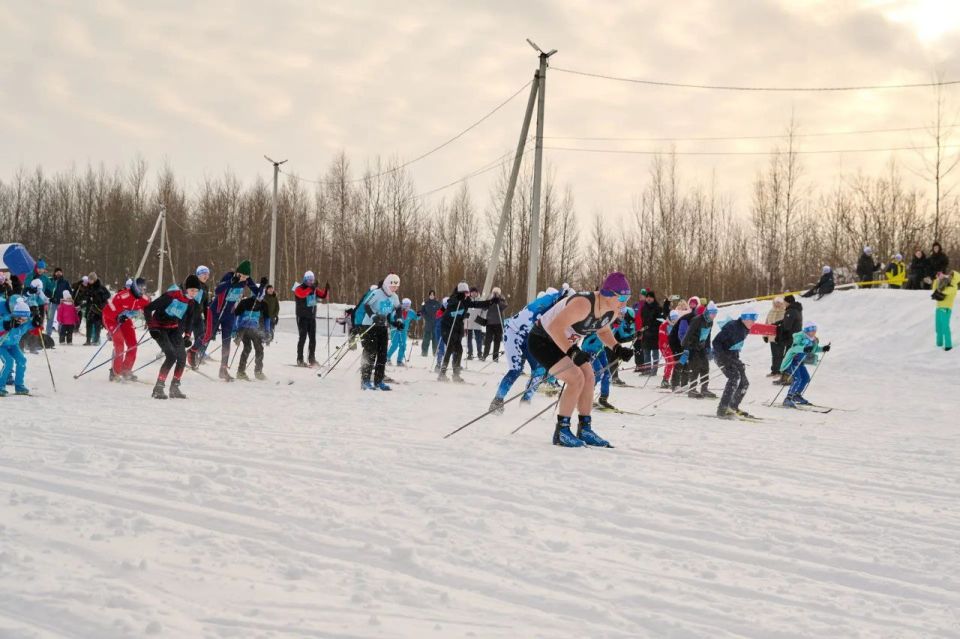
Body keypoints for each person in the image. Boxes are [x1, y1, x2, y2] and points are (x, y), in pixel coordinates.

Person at [526, 271, 633, 448]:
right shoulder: (583, 304)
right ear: (608, 294)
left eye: (627, 297)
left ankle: (585, 428)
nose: (624, 303)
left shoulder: (612, 310)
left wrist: (617, 348)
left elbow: (603, 331)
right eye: (621, 298)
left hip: (563, 343)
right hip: (543, 340)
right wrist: (573, 351)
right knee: (575, 378)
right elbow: (555, 327)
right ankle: (562, 430)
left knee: (589, 376)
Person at [489, 287, 564, 414]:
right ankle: (497, 400)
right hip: (514, 335)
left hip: (530, 339)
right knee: (516, 370)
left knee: (539, 370)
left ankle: (526, 401)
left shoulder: (553, 311)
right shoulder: (540, 306)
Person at [207, 260, 265, 380]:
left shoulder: (247, 280)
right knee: (208, 335)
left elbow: (258, 296)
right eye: (242, 276)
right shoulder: (229, 276)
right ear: (237, 273)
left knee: (226, 342)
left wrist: (263, 286)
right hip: (217, 311)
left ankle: (223, 369)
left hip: (229, 313)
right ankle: (195, 353)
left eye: (246, 276)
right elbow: (218, 291)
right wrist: (230, 282)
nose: (244, 278)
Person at [144, 277, 200, 399]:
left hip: (173, 328)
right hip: (159, 328)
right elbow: (148, 308)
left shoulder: (190, 302)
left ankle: (174, 387)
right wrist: (152, 327)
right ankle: (158, 388)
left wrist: (187, 335)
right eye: (192, 290)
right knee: (171, 356)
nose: (194, 294)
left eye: (196, 291)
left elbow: (190, 318)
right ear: (185, 289)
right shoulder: (171, 296)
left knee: (182, 357)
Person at [438, 282, 495, 382]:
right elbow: (448, 314)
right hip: (447, 328)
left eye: (468, 293)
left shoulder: (465, 301)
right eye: (466, 293)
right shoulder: (453, 300)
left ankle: (456, 374)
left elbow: (476, 304)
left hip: (456, 328)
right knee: (450, 348)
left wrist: (489, 302)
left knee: (459, 350)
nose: (468, 295)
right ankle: (442, 373)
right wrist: (459, 312)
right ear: (460, 292)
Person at [584, 305, 636, 411]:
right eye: (620, 313)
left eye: (623, 314)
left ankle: (603, 399)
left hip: (601, 349)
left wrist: (634, 335)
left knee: (607, 373)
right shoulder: (606, 320)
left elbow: (621, 337)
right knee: (598, 373)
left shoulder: (618, 324)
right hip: (590, 348)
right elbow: (593, 332)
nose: (622, 316)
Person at [713, 310, 760, 418]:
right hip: (721, 356)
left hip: (733, 357)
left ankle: (732, 407)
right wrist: (724, 357)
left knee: (744, 383)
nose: (753, 322)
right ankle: (723, 408)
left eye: (754, 320)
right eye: (751, 320)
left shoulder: (745, 328)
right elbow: (716, 342)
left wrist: (736, 360)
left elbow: (735, 345)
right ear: (744, 319)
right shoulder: (732, 326)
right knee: (734, 378)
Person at [102, 277, 150, 381]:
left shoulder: (144, 299)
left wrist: (152, 321)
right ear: (135, 287)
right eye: (140, 288)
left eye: (144, 289)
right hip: (111, 319)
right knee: (119, 343)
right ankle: (115, 372)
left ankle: (126, 370)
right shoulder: (122, 296)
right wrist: (117, 317)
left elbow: (149, 311)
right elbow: (107, 310)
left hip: (125, 320)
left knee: (133, 344)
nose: (142, 291)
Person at [359, 273, 402, 390]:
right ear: (387, 285)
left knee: (382, 355)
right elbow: (366, 304)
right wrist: (373, 316)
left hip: (382, 326)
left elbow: (398, 308)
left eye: (396, 287)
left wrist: (398, 320)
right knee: (370, 353)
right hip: (369, 325)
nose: (394, 289)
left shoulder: (394, 297)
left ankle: (378, 381)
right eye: (392, 287)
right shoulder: (377, 293)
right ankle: (365, 380)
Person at [781, 322, 830, 407]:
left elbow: (813, 350)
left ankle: (796, 395)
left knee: (806, 378)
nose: (814, 332)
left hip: (800, 362)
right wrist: (804, 348)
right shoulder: (799, 337)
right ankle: (788, 399)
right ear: (806, 330)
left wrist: (823, 348)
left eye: (815, 329)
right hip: (792, 361)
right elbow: (794, 348)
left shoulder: (813, 340)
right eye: (811, 330)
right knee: (797, 379)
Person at [0, 299, 41, 396]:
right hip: (1, 345)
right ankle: (1, 386)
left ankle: (19, 386)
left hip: (13, 345)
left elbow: (33, 326)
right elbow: (2, 325)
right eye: (19, 318)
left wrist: (37, 322)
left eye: (24, 318)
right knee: (9, 362)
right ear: (14, 315)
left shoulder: (26, 323)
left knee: (22, 360)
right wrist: (7, 325)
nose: (22, 321)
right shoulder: (7, 319)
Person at [680, 301, 719, 398]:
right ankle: (692, 389)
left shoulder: (710, 321)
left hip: (701, 347)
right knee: (696, 367)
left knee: (705, 367)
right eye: (712, 313)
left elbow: (708, 335)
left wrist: (708, 348)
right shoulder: (697, 320)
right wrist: (685, 348)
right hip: (692, 346)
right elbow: (688, 334)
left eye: (715, 313)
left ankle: (704, 389)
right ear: (707, 312)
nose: (714, 315)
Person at [292, 271, 329, 367]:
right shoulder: (299, 288)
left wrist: (326, 290)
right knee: (302, 337)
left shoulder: (313, 288)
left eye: (312, 280)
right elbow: (302, 295)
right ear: (305, 279)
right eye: (309, 280)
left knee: (313, 339)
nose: (310, 282)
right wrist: (310, 288)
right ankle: (300, 359)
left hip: (312, 317)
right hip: (302, 316)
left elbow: (323, 295)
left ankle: (311, 358)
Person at [233, 287, 267, 380]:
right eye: (260, 294)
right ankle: (241, 372)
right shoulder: (245, 302)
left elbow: (264, 319)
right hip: (243, 329)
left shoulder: (263, 304)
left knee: (258, 348)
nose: (262, 296)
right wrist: (235, 329)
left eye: (263, 295)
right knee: (248, 348)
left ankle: (258, 371)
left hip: (255, 329)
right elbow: (236, 315)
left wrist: (265, 332)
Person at [774, 295, 803, 386]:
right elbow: (787, 321)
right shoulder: (797, 310)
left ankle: (787, 379)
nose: (783, 303)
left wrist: (778, 329)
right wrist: (778, 323)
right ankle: (787, 378)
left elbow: (787, 326)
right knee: (790, 357)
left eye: (784, 302)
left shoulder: (790, 311)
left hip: (791, 338)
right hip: (796, 338)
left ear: (787, 302)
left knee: (788, 358)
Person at [186, 265, 212, 368]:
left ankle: (193, 353)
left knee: (204, 336)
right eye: (203, 274)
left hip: (198, 316)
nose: (205, 276)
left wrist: (206, 318)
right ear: (198, 275)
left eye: (207, 274)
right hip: (189, 315)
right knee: (183, 335)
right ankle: (168, 351)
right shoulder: (193, 283)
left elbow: (205, 304)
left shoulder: (206, 287)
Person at [931, 269, 960, 351]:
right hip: (939, 308)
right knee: (938, 328)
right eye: (949, 274)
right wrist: (937, 280)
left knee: (945, 327)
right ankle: (939, 344)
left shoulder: (953, 287)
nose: (949, 276)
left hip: (946, 309)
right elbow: (934, 290)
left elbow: (942, 291)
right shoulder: (945, 283)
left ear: (955, 278)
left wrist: (942, 280)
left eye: (951, 275)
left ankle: (948, 345)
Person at [387, 298, 419, 366]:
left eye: (409, 305)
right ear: (402, 305)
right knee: (395, 345)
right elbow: (392, 319)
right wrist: (396, 324)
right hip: (395, 330)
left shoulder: (411, 312)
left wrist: (419, 315)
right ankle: (387, 358)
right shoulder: (398, 311)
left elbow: (416, 317)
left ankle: (399, 361)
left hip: (404, 331)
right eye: (405, 305)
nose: (407, 307)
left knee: (403, 345)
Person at [638, 289, 662, 375]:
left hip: (655, 333)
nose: (648, 299)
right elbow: (642, 320)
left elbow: (660, 320)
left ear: (653, 298)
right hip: (646, 333)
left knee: (655, 353)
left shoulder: (658, 308)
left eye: (650, 297)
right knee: (646, 352)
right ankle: (647, 369)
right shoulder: (644, 308)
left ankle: (654, 370)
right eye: (647, 297)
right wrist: (642, 330)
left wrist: (652, 327)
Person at [83, 272, 110, 346]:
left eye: (91, 279)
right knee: (88, 324)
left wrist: (101, 298)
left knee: (97, 325)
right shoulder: (88, 287)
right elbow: (86, 296)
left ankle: (96, 340)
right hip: (90, 308)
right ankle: (88, 340)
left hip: (98, 309)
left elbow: (108, 295)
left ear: (94, 280)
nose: (89, 281)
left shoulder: (101, 287)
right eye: (89, 279)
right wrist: (87, 297)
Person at [481, 287, 507, 362]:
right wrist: (490, 300)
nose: (495, 294)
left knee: (497, 340)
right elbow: (484, 308)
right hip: (490, 323)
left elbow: (504, 306)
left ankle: (495, 357)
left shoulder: (502, 298)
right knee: (488, 340)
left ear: (499, 293)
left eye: (497, 292)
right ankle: (485, 355)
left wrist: (498, 301)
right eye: (494, 292)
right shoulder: (489, 298)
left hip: (498, 323)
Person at [764, 297, 786, 377]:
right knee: (774, 354)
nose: (777, 304)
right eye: (776, 302)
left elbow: (785, 325)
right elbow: (766, 323)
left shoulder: (784, 311)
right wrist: (765, 335)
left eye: (779, 302)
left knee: (780, 354)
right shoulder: (771, 311)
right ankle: (774, 371)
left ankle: (780, 371)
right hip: (772, 337)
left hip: (781, 337)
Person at [47, 267, 71, 338]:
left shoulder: (65, 282)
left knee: (61, 319)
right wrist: (50, 298)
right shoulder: (51, 280)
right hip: (52, 303)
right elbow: (47, 290)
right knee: (50, 318)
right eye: (57, 272)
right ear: (54, 273)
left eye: (60, 272)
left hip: (61, 303)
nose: (58, 273)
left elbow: (69, 291)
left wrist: (66, 298)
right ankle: (48, 334)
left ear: (62, 273)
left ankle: (61, 333)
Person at [658, 309, 680, 389]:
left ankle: (674, 380)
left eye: (676, 318)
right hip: (664, 346)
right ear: (670, 318)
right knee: (670, 361)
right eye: (673, 318)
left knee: (675, 362)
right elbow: (662, 337)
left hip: (673, 345)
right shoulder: (664, 325)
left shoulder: (678, 323)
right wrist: (665, 344)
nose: (674, 320)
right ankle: (665, 380)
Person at [463, 287, 485, 360]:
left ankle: (479, 354)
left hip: (477, 323)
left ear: (477, 293)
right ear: (470, 293)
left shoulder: (481, 301)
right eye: (472, 292)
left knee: (478, 339)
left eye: (475, 292)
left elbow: (484, 311)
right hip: (468, 322)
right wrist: (464, 318)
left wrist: (481, 319)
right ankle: (470, 353)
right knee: (468, 339)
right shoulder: (467, 301)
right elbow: (464, 310)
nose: (474, 293)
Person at [420, 291, 441, 357]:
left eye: (433, 295)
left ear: (434, 295)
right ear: (429, 295)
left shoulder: (438, 303)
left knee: (435, 339)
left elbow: (441, 311)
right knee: (426, 338)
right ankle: (424, 352)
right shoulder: (425, 303)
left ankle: (435, 352)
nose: (432, 296)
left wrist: (438, 318)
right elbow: (422, 311)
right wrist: (426, 317)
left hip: (435, 323)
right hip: (428, 323)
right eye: (430, 295)